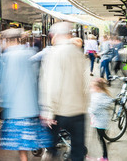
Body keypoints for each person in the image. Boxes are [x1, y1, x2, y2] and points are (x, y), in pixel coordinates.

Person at [0, 29, 52, 161]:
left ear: (8, 40)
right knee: (28, 139)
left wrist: (1, 101)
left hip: (16, 108)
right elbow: (37, 78)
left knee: (20, 143)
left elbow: (5, 81)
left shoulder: (6, 57)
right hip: (31, 106)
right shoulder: (30, 53)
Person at [40, 22, 88, 161]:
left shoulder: (54, 54)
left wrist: (48, 111)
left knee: (51, 147)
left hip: (60, 111)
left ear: (54, 35)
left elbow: (52, 84)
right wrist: (85, 104)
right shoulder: (78, 52)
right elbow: (85, 81)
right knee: (78, 151)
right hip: (79, 110)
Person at [88, 78, 113, 161]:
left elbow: (94, 109)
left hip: (100, 122)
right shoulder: (98, 94)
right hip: (98, 121)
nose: (91, 89)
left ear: (97, 88)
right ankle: (103, 156)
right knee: (99, 137)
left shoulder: (99, 96)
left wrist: (88, 110)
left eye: (92, 87)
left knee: (101, 138)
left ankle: (105, 157)